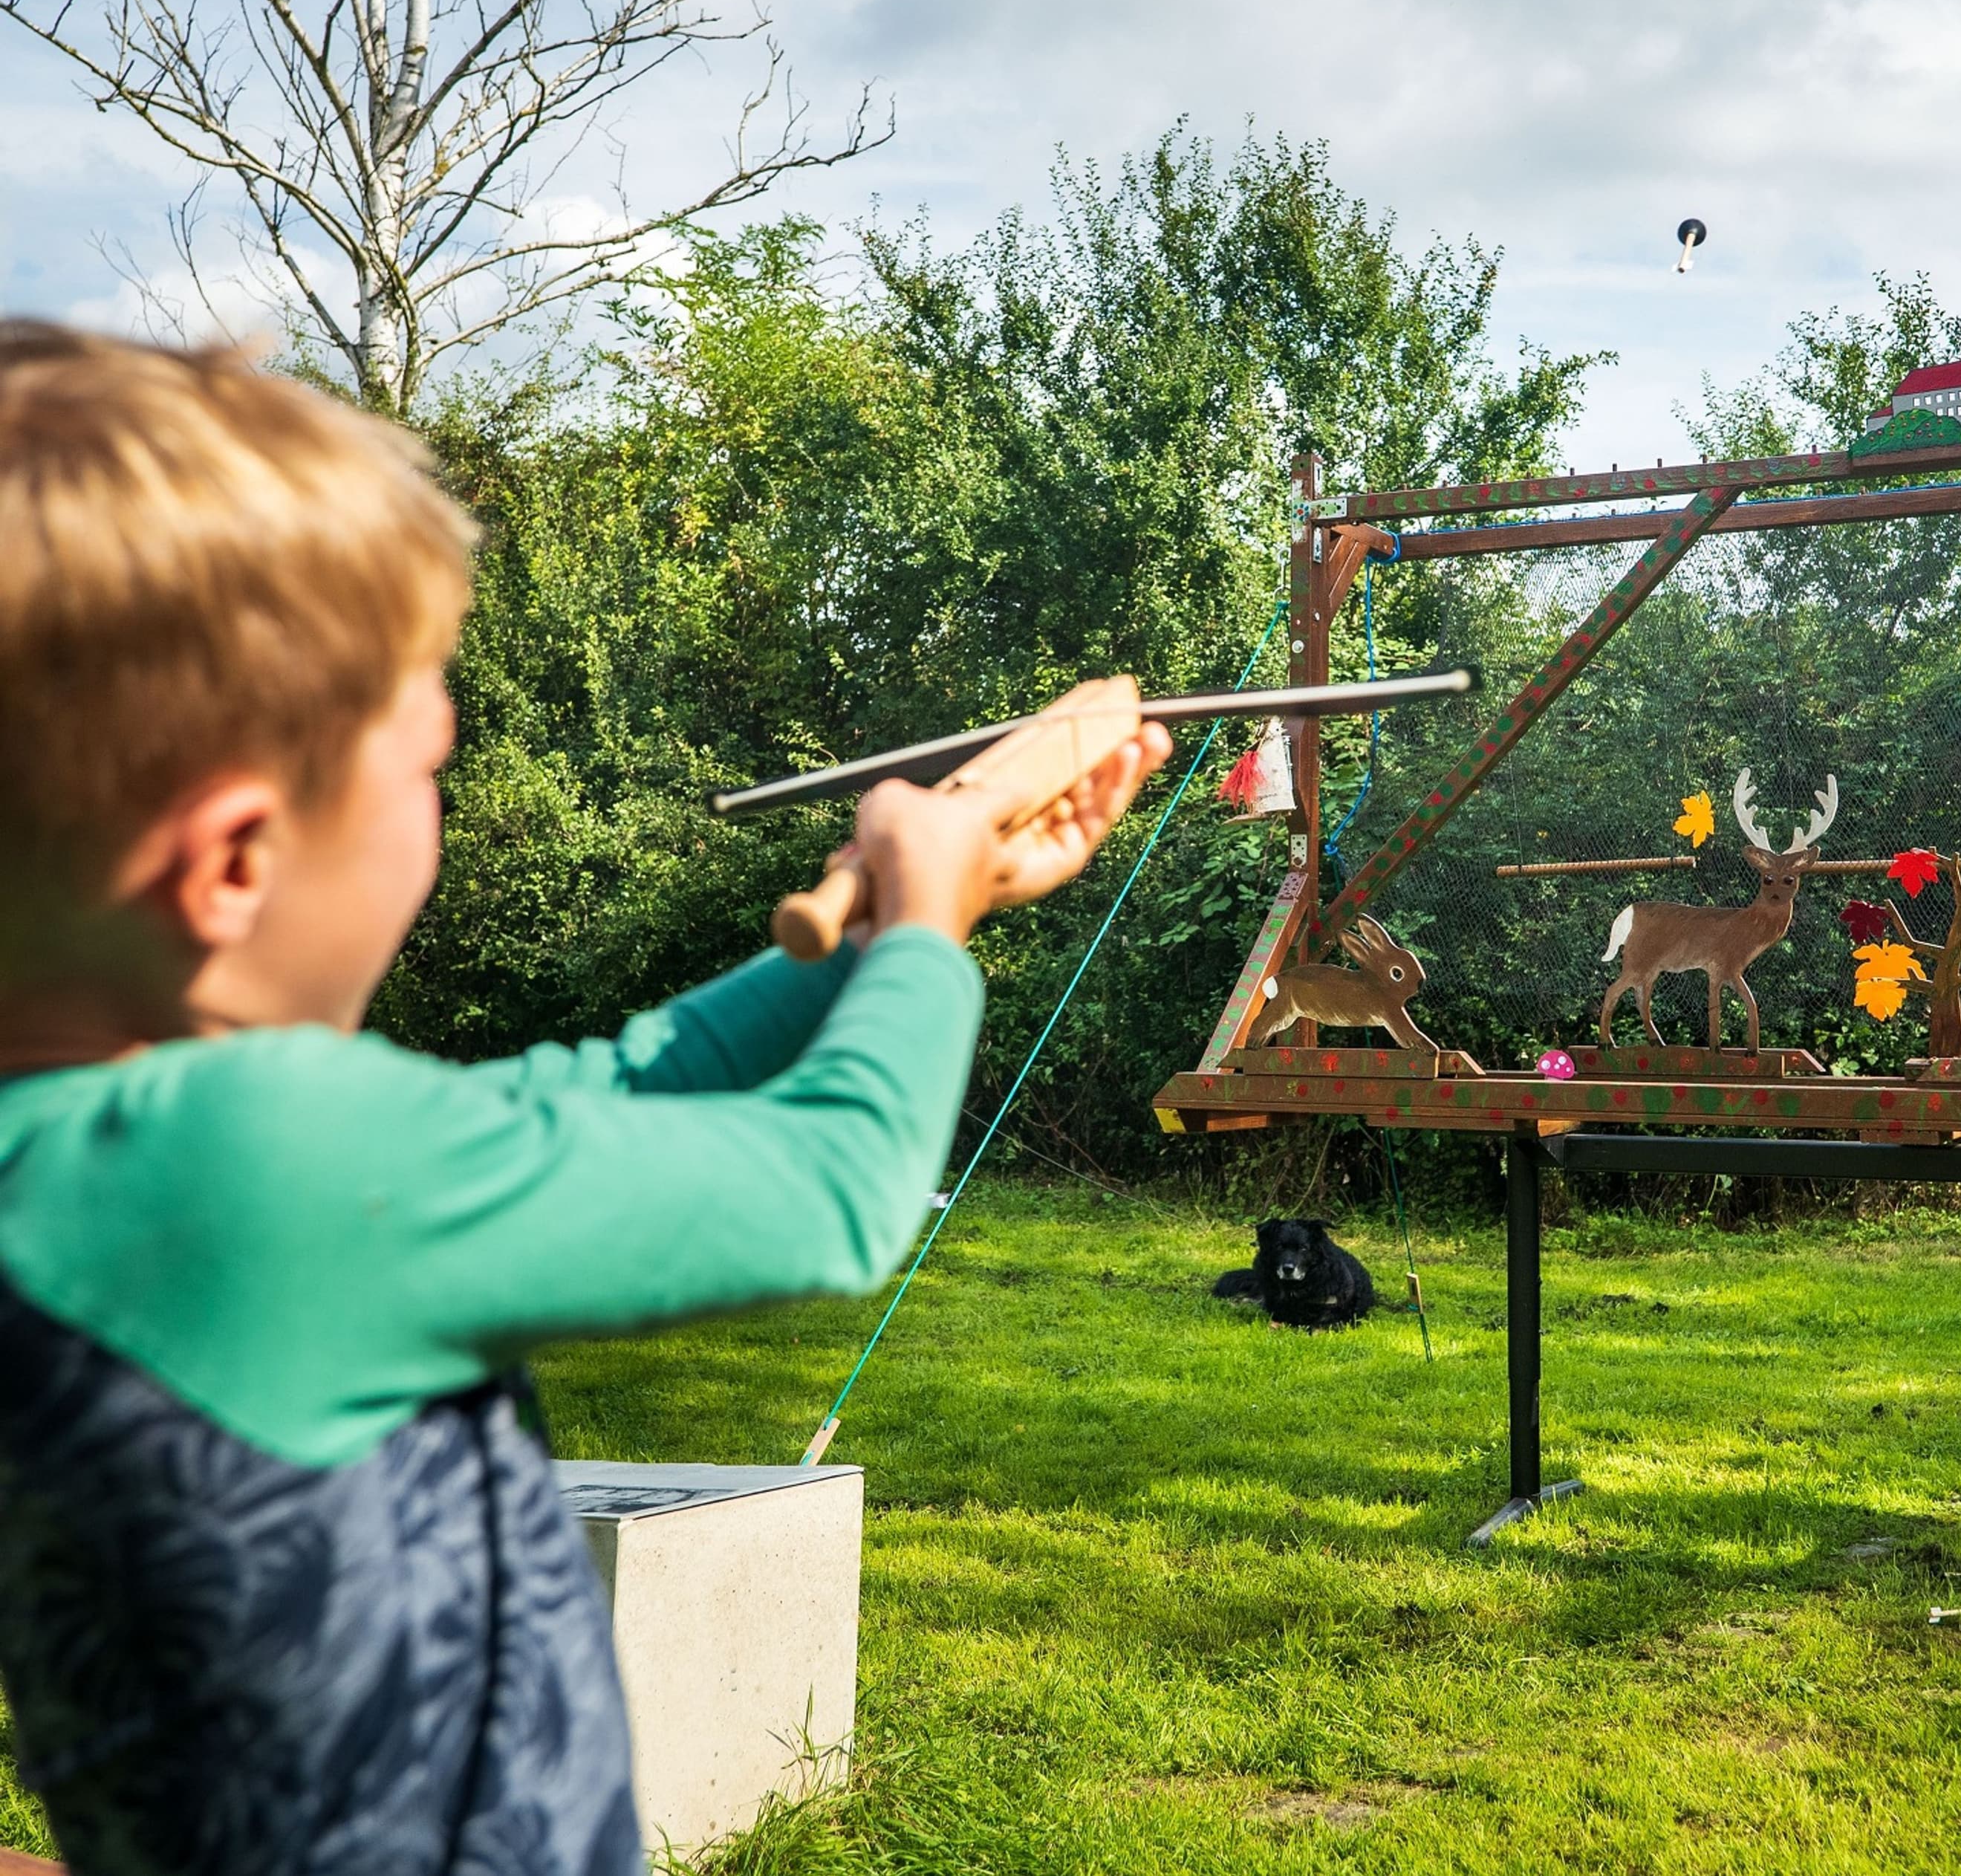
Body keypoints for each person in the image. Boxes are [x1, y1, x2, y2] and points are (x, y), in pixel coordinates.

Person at [0, 322, 1170, 1874]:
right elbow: (832, 1188)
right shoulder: (260, 1167)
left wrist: (877, 938)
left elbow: (582, 1095)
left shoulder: (103, 1152)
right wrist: (934, 939)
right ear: (232, 863)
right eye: (427, 756)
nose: (445, 784)